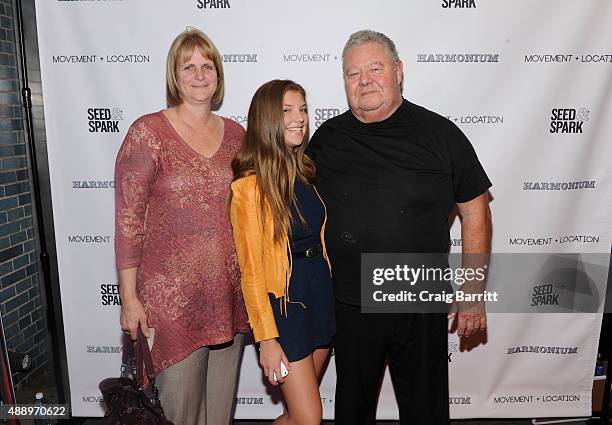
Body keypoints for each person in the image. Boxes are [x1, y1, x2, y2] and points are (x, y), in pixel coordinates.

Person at [306, 30, 493, 425]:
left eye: (375, 68)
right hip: (349, 301)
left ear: (398, 71)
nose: (364, 80)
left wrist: (473, 289)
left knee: (424, 411)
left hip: (417, 297)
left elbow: (475, 211)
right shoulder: (326, 140)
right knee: (351, 411)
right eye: (353, 73)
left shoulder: (440, 134)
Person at [115, 27, 248, 425]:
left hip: (229, 297)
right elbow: (128, 220)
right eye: (187, 66)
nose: (199, 74)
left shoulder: (238, 135)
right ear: (174, 75)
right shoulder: (148, 132)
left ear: (219, 74)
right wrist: (129, 298)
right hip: (171, 307)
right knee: (179, 416)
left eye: (207, 65)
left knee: (219, 416)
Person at [230, 79, 335, 425]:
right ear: (267, 119)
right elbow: (252, 272)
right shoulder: (248, 188)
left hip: (319, 295)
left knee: (297, 415)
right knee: (309, 419)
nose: (299, 117)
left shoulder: (305, 173)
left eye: (303, 109)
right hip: (285, 307)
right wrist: (267, 340)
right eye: (287, 110)